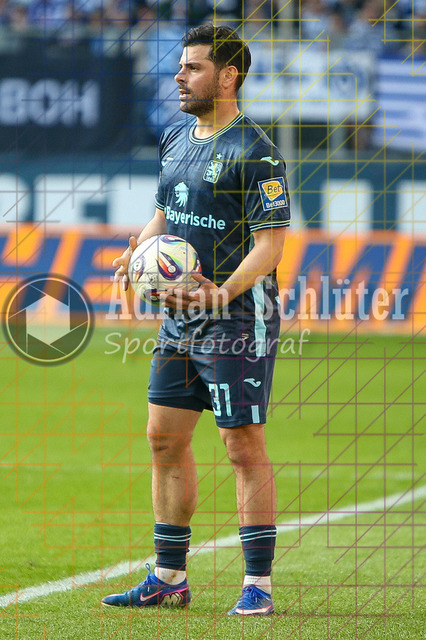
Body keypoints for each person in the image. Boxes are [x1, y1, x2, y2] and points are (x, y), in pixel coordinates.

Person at [102, 23, 290, 616]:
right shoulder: (176, 137)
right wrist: (137, 255)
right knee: (163, 438)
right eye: (180, 66)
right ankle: (169, 577)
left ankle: (257, 585)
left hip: (237, 318)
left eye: (193, 67)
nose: (179, 77)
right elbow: (165, 212)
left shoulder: (257, 151)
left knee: (242, 446)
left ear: (228, 76)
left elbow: (271, 245)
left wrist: (222, 293)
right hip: (180, 319)